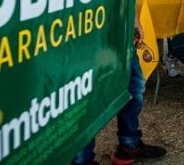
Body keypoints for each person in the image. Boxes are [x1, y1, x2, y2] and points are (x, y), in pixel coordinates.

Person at [71, 16, 167, 165]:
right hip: (83, 32)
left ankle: (130, 145)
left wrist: (133, 19)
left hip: (119, 29)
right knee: (85, 100)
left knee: (133, 88)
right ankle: (82, 161)